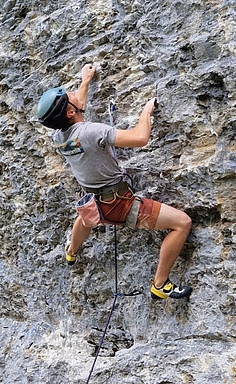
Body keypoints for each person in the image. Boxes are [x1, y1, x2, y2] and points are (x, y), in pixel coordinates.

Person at [37, 63, 192, 300]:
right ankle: (160, 285)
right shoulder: (91, 132)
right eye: (70, 95)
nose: (74, 93)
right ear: (69, 112)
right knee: (182, 223)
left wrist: (86, 81)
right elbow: (140, 138)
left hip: (92, 203)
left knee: (85, 219)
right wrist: (146, 112)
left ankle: (71, 251)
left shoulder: (60, 136)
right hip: (120, 205)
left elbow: (77, 107)